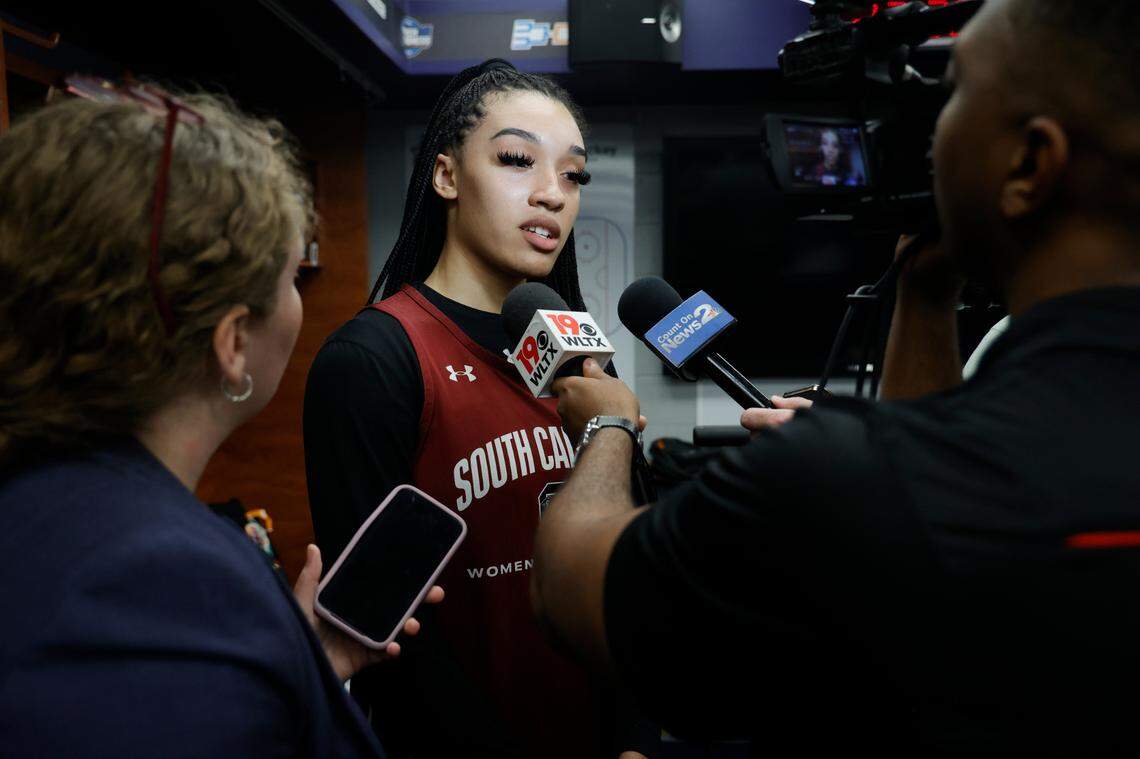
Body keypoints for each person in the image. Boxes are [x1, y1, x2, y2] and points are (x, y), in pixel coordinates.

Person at [531, 0, 1140, 752]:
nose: (923, 134)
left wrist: (608, 423)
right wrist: (922, 290)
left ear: (1027, 163)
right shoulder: (917, 474)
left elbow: (571, 586)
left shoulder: (849, 482)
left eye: (951, 95)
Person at [0, 82, 441, 756]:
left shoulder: (44, 501)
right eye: (294, 275)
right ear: (232, 341)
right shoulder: (166, 588)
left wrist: (297, 658)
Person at [303, 60, 654, 758]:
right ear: (446, 176)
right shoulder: (374, 359)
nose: (552, 194)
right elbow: (380, 635)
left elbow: (624, 575)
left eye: (574, 175)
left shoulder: (582, 356)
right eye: (518, 160)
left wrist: (634, 737)